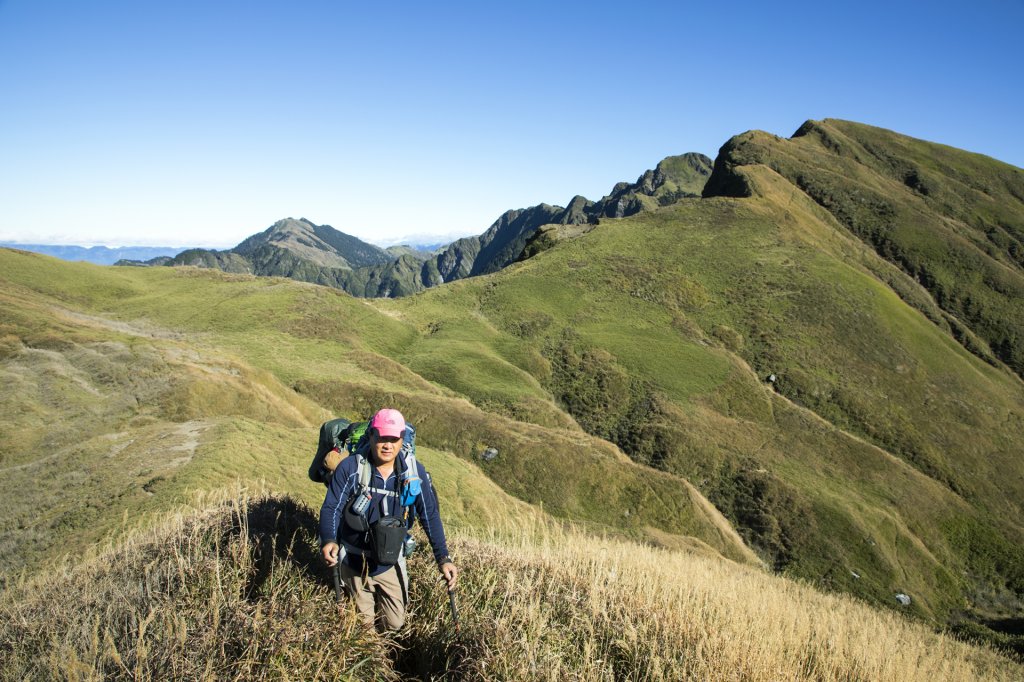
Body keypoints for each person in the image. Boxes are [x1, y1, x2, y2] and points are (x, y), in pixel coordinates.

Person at [319, 408, 458, 631]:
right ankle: (372, 659)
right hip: (354, 560)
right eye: (382, 437)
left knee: (395, 624)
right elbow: (331, 507)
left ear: (402, 439)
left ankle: (385, 646)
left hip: (389, 562)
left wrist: (443, 557)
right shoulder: (352, 467)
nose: (387, 445)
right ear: (371, 435)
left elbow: (429, 515)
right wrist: (328, 540)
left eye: (394, 439)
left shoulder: (413, 473)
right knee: (362, 628)